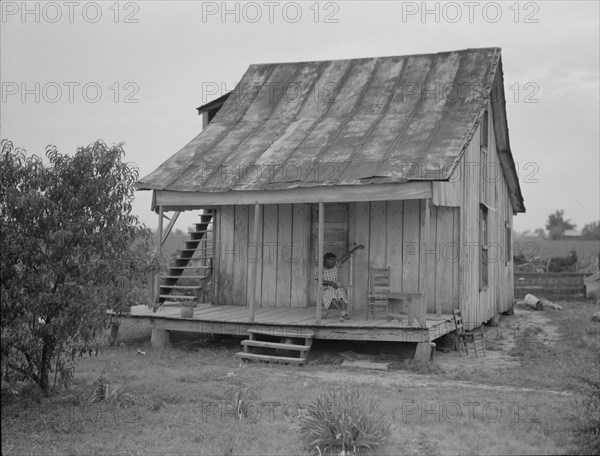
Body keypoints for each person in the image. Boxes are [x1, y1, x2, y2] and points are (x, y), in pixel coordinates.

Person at [314, 244, 364, 319]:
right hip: (326, 288)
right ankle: (342, 312)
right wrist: (330, 283)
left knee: (341, 294)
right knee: (332, 295)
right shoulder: (319, 268)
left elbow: (347, 255)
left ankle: (342, 313)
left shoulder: (335, 265)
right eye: (332, 260)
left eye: (334, 260)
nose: (334, 262)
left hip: (337, 286)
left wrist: (356, 248)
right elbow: (318, 280)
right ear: (326, 260)